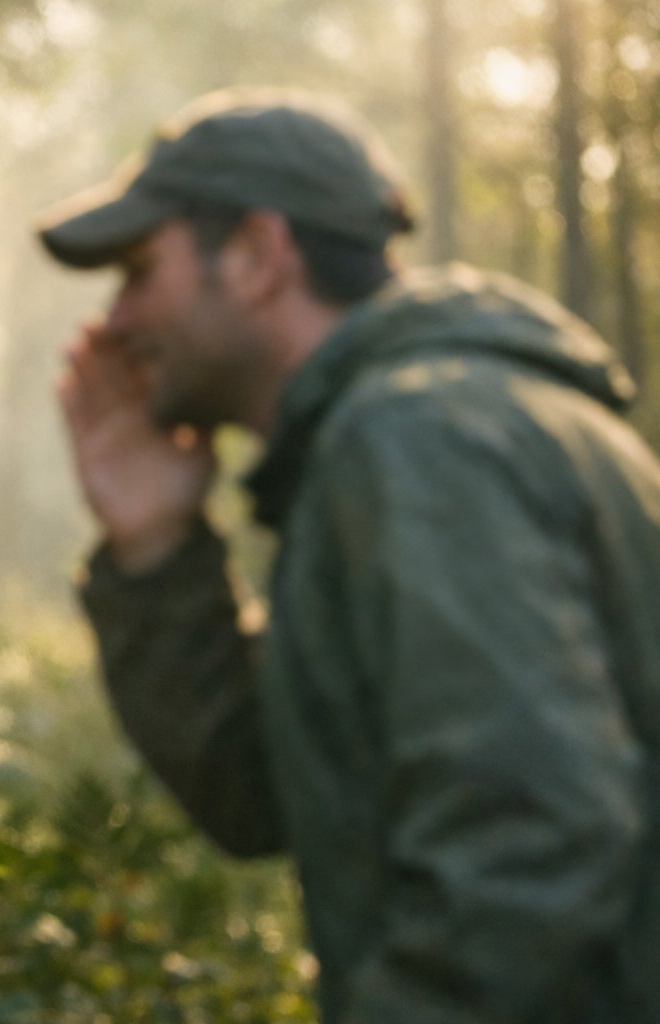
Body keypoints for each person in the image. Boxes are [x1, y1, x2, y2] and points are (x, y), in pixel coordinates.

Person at [38, 87, 660, 1023]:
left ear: (254, 256)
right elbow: (266, 798)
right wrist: (158, 548)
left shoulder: (420, 438)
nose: (115, 321)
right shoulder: (426, 423)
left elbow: (528, 855)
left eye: (137, 271)